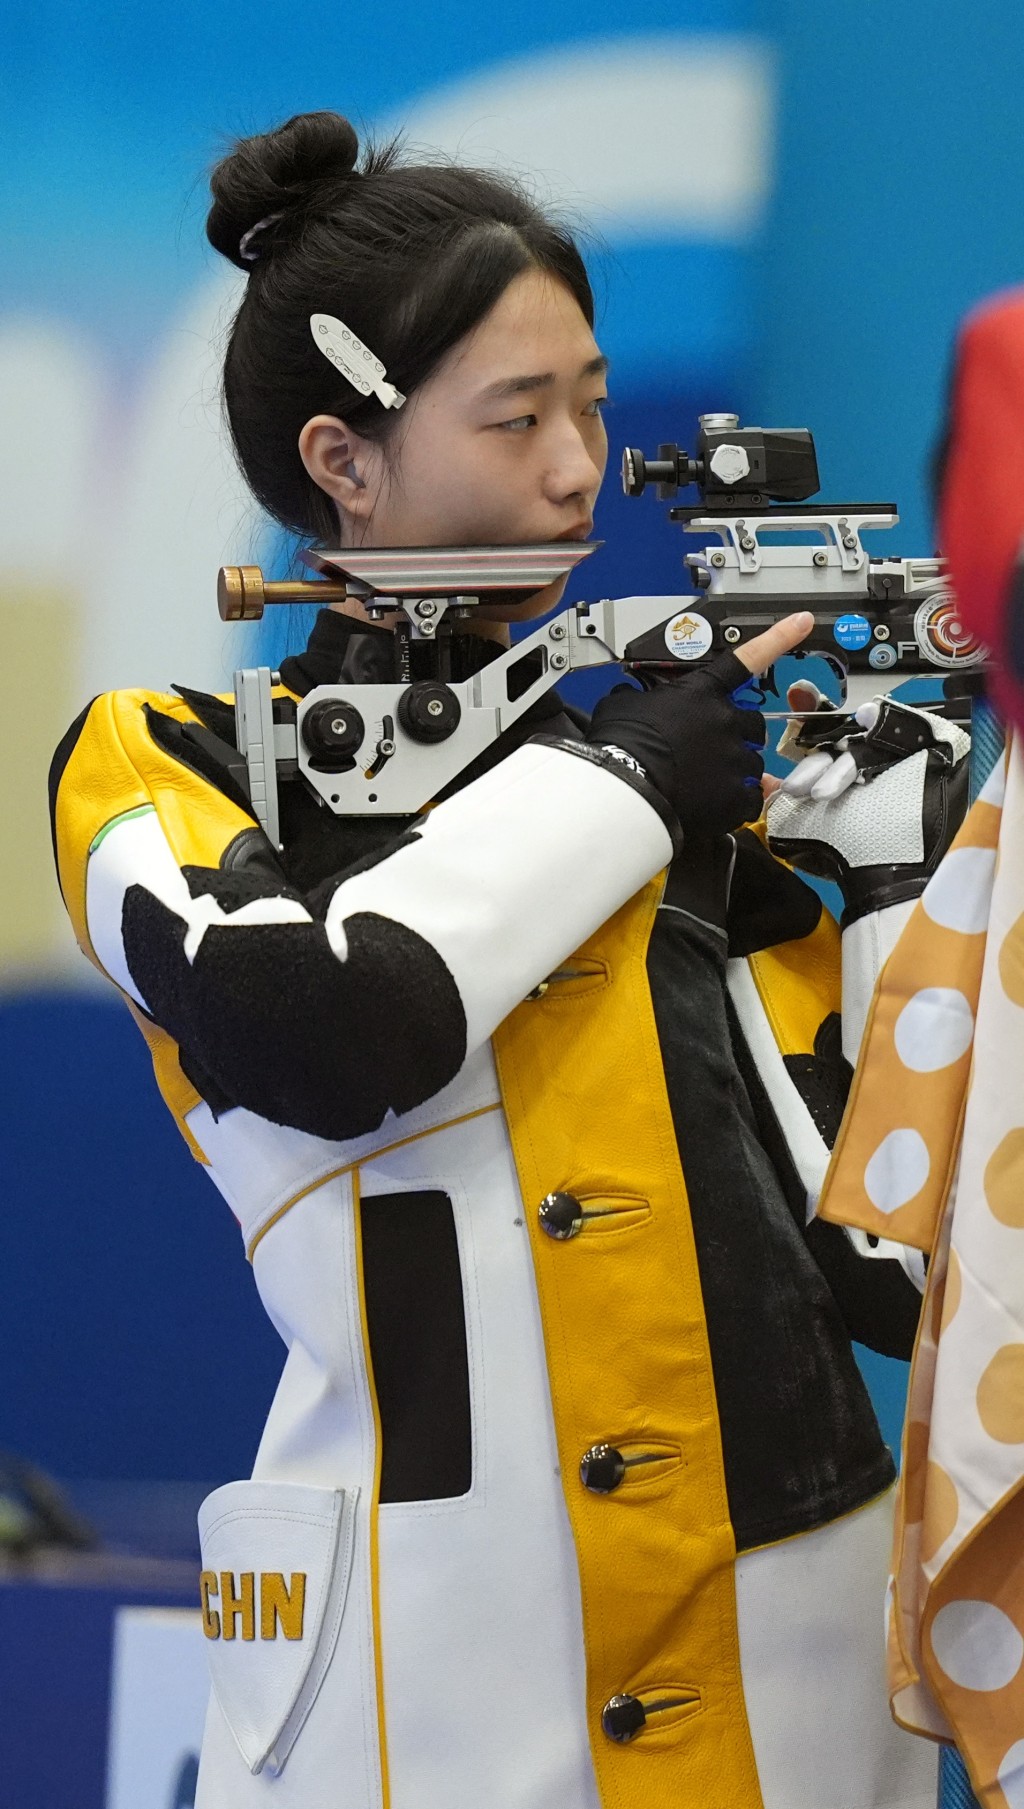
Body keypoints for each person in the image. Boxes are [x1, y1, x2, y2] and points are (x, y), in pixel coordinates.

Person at [49, 111, 953, 1809]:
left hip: (798, 1671)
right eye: (516, 416)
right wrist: (619, 787)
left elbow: (903, 1269)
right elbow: (318, 1022)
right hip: (430, 1684)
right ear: (343, 459)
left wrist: (903, 872)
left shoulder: (704, 791)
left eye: (596, 405)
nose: (576, 468)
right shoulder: (166, 759)